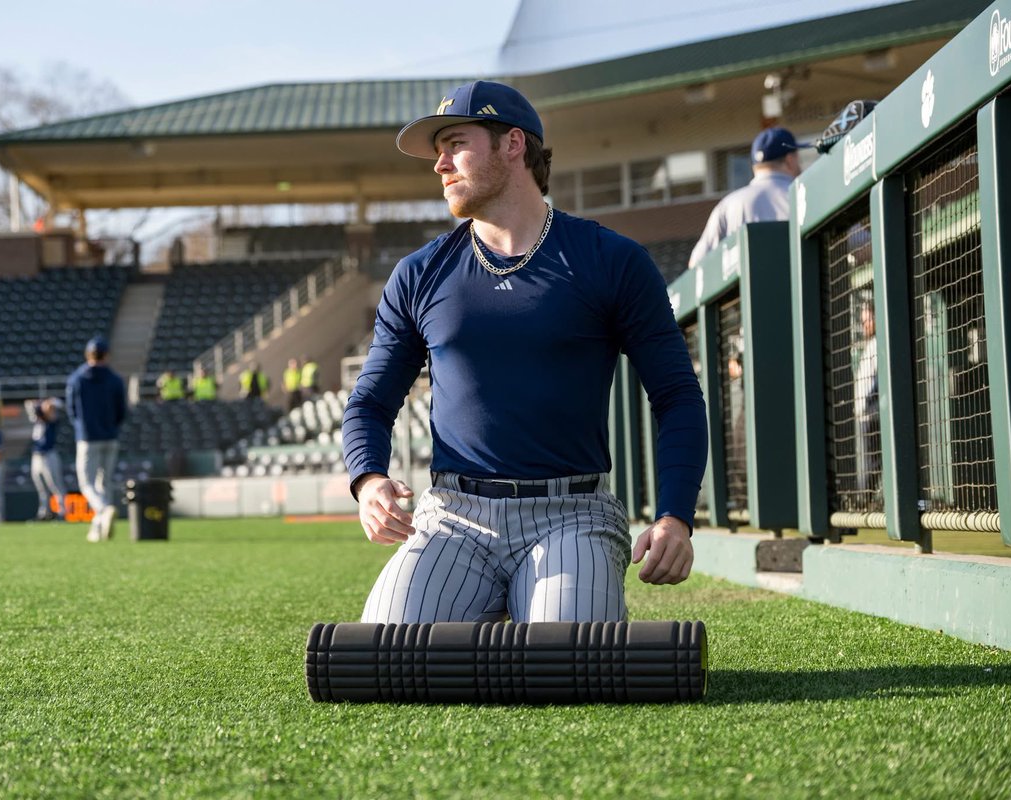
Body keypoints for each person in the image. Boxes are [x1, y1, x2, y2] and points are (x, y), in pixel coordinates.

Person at [342, 80, 707, 626]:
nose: (440, 164)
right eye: (437, 152)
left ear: (513, 144)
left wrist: (675, 516)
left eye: (455, 144)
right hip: (453, 518)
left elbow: (677, 396)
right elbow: (369, 403)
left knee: (565, 663)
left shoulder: (611, 260)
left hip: (573, 515)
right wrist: (369, 479)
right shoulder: (418, 273)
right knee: (388, 653)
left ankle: (516, 615)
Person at [688, 127, 806, 268]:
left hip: (745, 289)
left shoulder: (727, 205)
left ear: (755, 167)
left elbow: (696, 265)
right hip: (799, 285)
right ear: (790, 160)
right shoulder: (801, 193)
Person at [66, 336, 126, 542]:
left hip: (88, 438)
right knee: (105, 482)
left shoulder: (77, 379)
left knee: (88, 484)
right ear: (107, 355)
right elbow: (122, 411)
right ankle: (98, 529)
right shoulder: (115, 379)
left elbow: (71, 410)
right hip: (110, 436)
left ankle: (103, 509)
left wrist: (82, 428)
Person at [853, 299, 880, 496]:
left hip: (873, 414)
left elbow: (877, 382)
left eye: (867, 320)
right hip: (865, 414)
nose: (865, 325)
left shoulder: (879, 344)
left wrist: (868, 402)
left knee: (873, 461)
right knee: (868, 461)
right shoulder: (870, 345)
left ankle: (867, 500)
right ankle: (867, 500)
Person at [26, 397, 67, 521]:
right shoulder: (38, 422)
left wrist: (47, 404)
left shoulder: (51, 420)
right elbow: (28, 404)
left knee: (55, 484)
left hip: (49, 455)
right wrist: (38, 405)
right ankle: (44, 512)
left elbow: (57, 404)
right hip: (37, 456)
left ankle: (62, 512)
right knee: (41, 487)